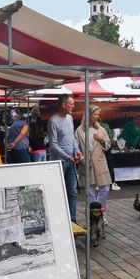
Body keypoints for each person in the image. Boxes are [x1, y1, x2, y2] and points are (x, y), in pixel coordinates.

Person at [47, 94, 84, 222]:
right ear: (64, 105)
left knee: (72, 192)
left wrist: (77, 151)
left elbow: (72, 138)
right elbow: (53, 144)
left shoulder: (70, 118)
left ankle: (72, 221)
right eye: (71, 104)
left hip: (71, 161)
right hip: (59, 163)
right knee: (58, 193)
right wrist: (67, 157)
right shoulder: (53, 121)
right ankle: (59, 221)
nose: (73, 106)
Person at [74, 105, 112, 212]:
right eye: (95, 114)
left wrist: (101, 140)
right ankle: (92, 214)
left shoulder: (101, 130)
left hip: (100, 163)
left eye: (98, 114)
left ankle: (100, 211)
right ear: (89, 115)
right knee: (90, 191)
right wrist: (81, 159)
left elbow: (108, 146)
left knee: (105, 189)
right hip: (87, 164)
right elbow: (75, 147)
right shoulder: (79, 131)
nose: (98, 116)